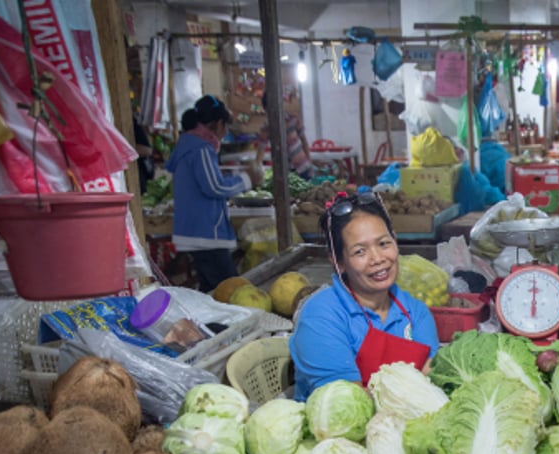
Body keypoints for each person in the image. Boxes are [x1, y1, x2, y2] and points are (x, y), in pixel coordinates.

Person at [289, 190, 440, 401]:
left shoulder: (416, 312)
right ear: (339, 262)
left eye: (383, 243)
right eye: (360, 251)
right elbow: (347, 402)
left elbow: (433, 380)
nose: (377, 258)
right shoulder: (321, 316)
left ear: (395, 240)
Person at [165, 95, 258, 292]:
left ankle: (209, 324)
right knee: (231, 290)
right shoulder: (201, 149)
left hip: (194, 231)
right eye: (225, 127)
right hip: (205, 234)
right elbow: (214, 187)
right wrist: (247, 179)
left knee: (211, 291)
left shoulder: (187, 146)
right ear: (217, 124)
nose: (225, 133)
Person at [255, 91, 314, 181]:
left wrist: (309, 161)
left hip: (303, 167)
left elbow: (304, 141)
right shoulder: (266, 128)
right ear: (265, 109)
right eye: (269, 109)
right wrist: (258, 170)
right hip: (285, 172)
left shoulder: (293, 119)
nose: (274, 111)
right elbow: (260, 152)